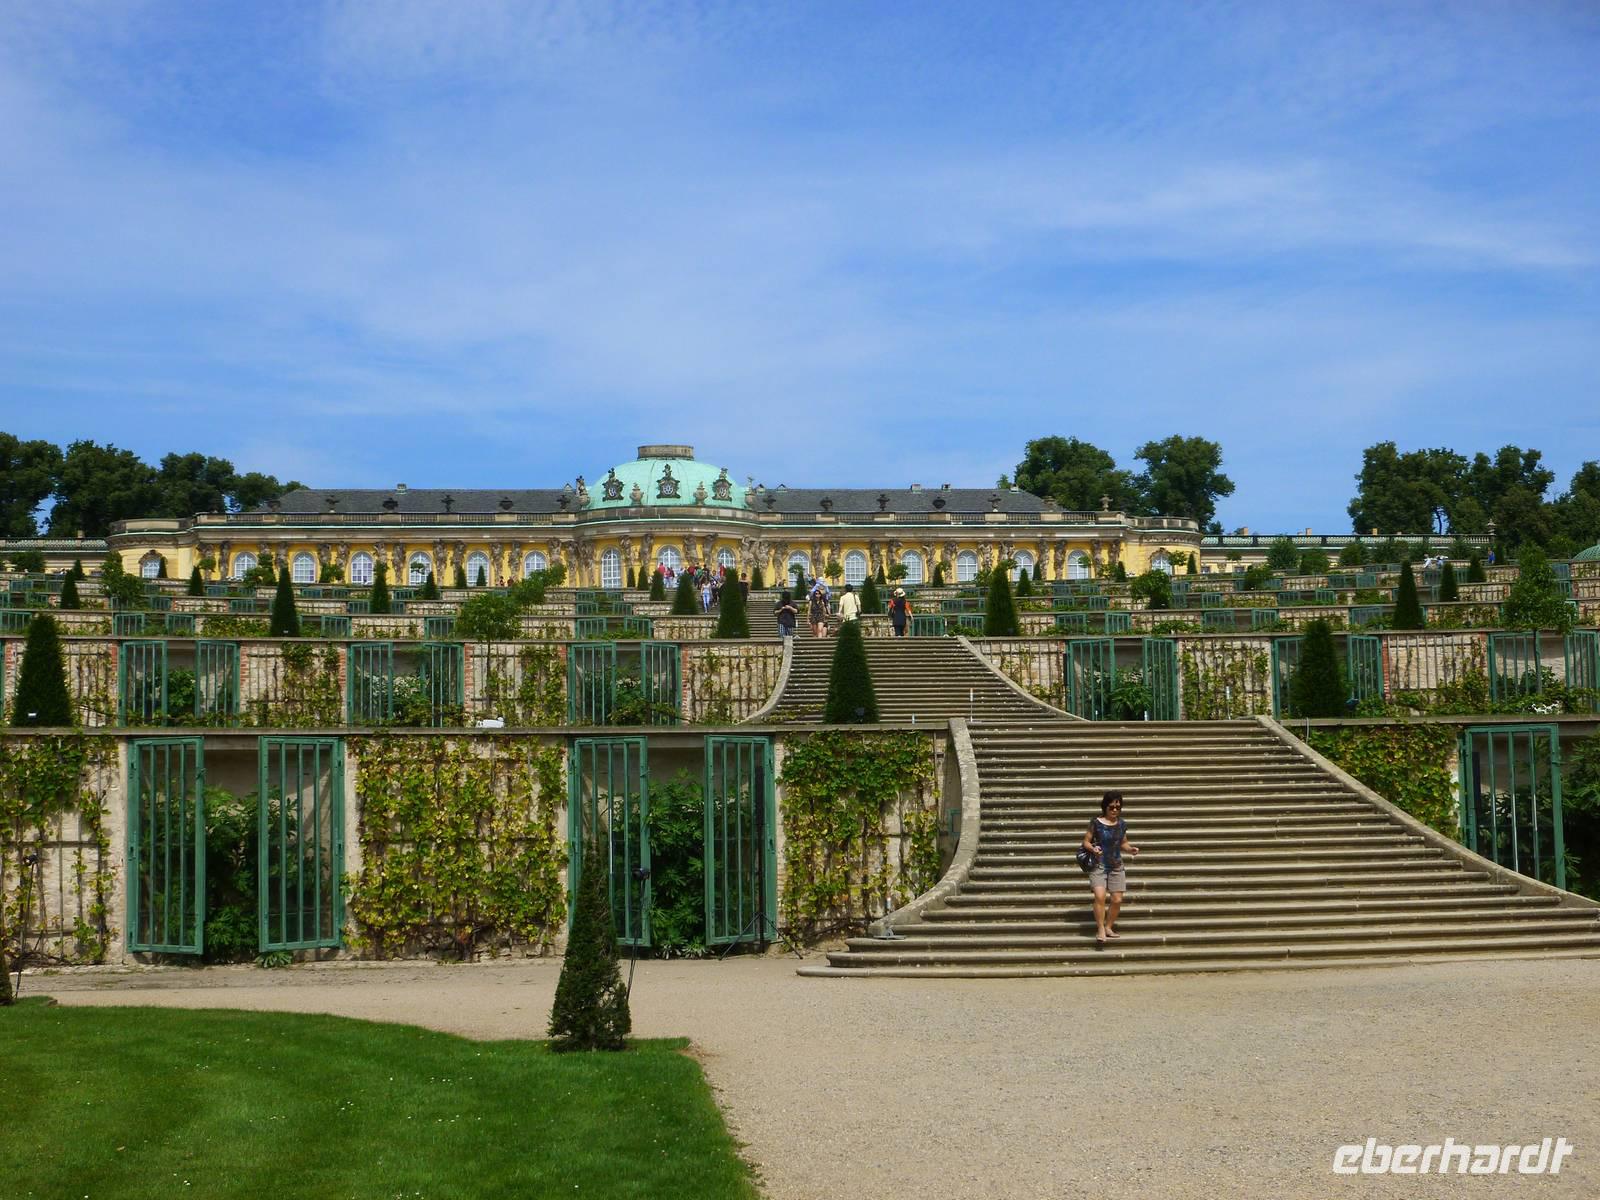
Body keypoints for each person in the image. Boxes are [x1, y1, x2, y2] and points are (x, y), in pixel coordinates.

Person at [1082, 791, 1138, 948]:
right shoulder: (1096, 823)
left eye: (1118, 807)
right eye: (1111, 807)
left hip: (1116, 866)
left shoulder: (1121, 824)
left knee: (1117, 900)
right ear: (1105, 807)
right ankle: (1100, 928)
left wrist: (1130, 849)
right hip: (1098, 865)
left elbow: (1123, 843)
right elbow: (1086, 841)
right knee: (1100, 896)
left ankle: (1108, 926)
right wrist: (1093, 849)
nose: (1114, 810)